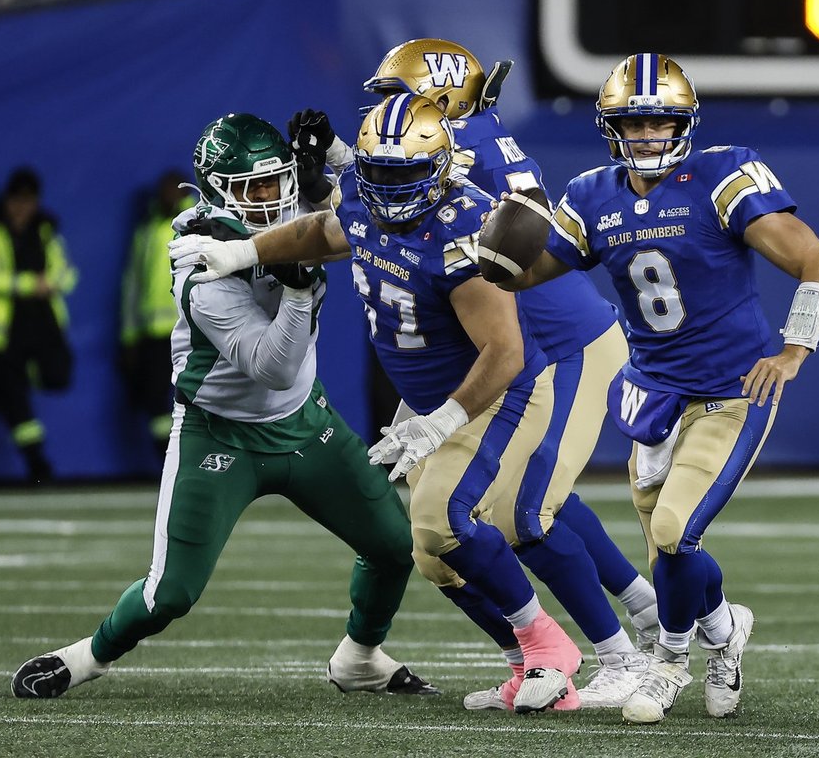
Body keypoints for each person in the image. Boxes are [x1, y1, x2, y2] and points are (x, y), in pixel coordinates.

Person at [168, 95, 588, 714]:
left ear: (440, 167)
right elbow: (323, 230)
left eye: (405, 174)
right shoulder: (364, 201)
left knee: (442, 520)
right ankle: (528, 669)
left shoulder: (463, 230)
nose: (389, 190)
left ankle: (551, 648)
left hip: (494, 395)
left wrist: (440, 422)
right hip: (434, 399)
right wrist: (243, 252)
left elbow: (505, 353)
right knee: (432, 556)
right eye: (380, 173)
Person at [11, 113, 437, 700]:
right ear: (217, 190)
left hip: (304, 422)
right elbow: (272, 366)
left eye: (277, 180)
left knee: (393, 545)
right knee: (170, 595)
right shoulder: (198, 256)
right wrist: (298, 288)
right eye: (253, 188)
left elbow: (378, 217)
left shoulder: (293, 207)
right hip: (220, 433)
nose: (271, 197)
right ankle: (88, 656)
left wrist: (328, 170)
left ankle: (359, 658)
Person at [484, 53, 819, 724]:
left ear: (683, 124)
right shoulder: (592, 194)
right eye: (633, 122)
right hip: (652, 393)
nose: (647, 135)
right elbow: (522, 274)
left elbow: (817, 264)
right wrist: (495, 242)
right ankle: (724, 630)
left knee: (674, 533)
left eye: (659, 122)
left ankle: (669, 662)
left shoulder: (721, 177)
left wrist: (794, 350)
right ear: (611, 127)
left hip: (730, 391)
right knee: (670, 552)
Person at [360, 38, 659, 710]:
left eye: (399, 99)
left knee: (525, 514)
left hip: (560, 343)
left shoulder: (461, 146)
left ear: (439, 102)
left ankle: (620, 658)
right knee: (505, 512)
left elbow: (400, 184)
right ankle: (644, 611)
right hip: (515, 348)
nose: (385, 115)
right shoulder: (466, 141)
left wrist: (338, 164)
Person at [0, 166, 77, 483]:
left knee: (58, 374)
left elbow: (66, 272)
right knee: (13, 396)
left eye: (28, 201)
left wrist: (52, 282)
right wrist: (29, 284)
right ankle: (37, 463)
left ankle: (29, 373)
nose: (21, 207)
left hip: (42, 324)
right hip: (4, 331)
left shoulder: (45, 230)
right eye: (16, 200)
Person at [120, 170, 195, 464]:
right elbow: (133, 286)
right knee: (153, 398)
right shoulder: (146, 231)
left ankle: (198, 460)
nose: (168, 194)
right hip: (152, 332)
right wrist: (130, 336)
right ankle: (168, 461)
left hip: (193, 328)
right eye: (164, 189)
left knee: (199, 395)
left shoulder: (198, 224)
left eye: (174, 188)